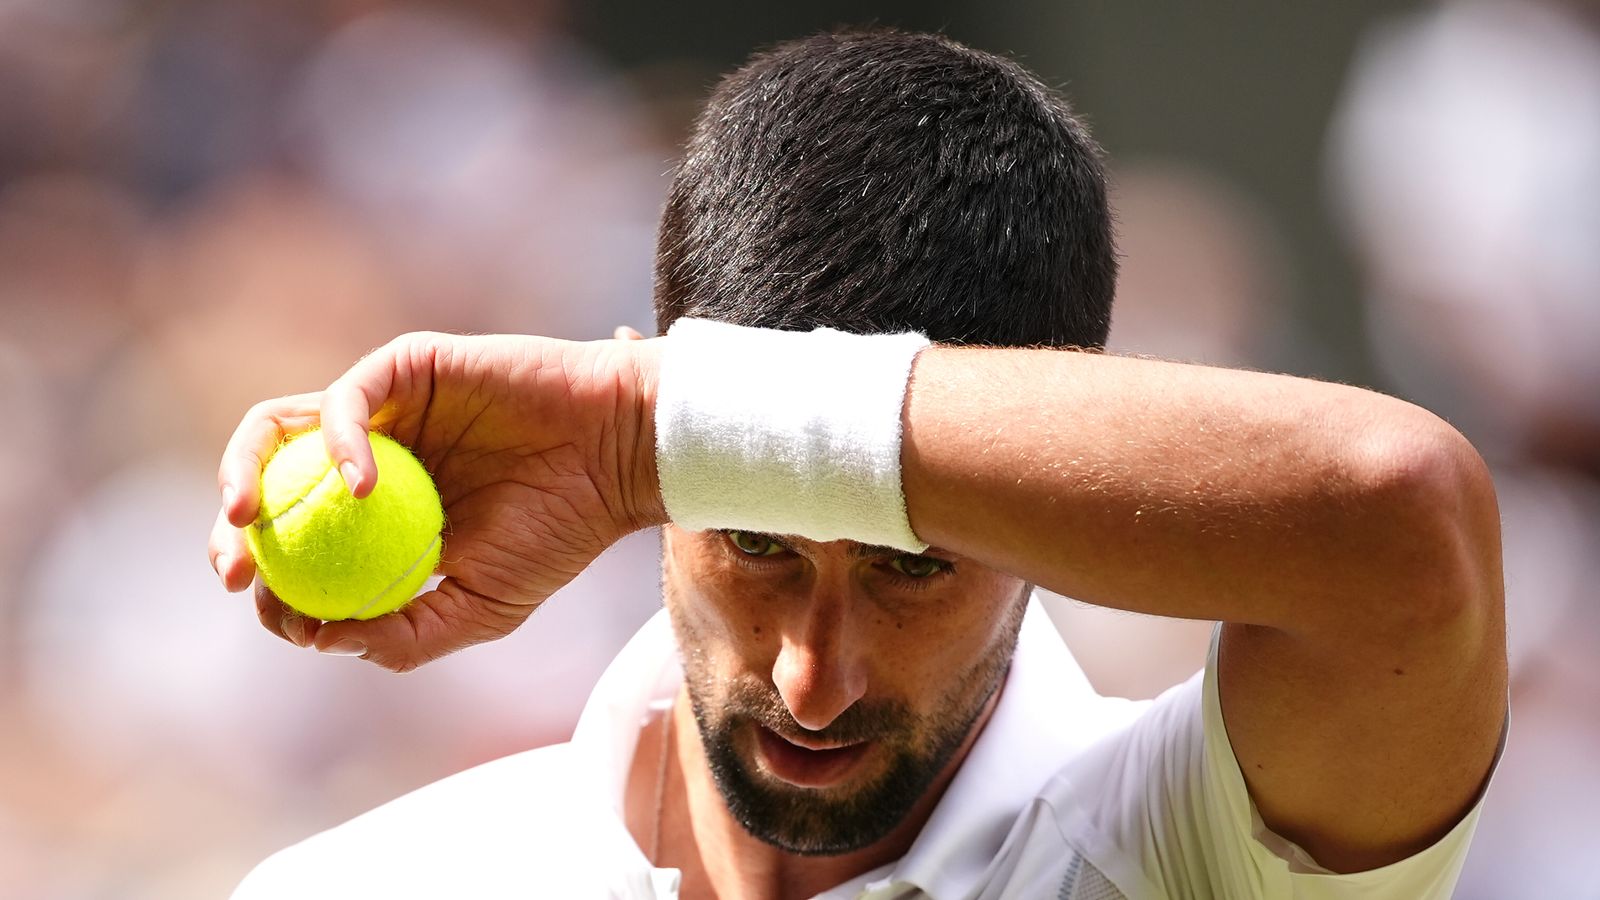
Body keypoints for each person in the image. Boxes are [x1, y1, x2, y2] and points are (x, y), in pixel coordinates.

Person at [211, 29, 1506, 900]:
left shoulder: (1178, 855)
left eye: (913, 571)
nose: (811, 679)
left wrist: (648, 440)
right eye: (756, 544)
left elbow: (1403, 521)